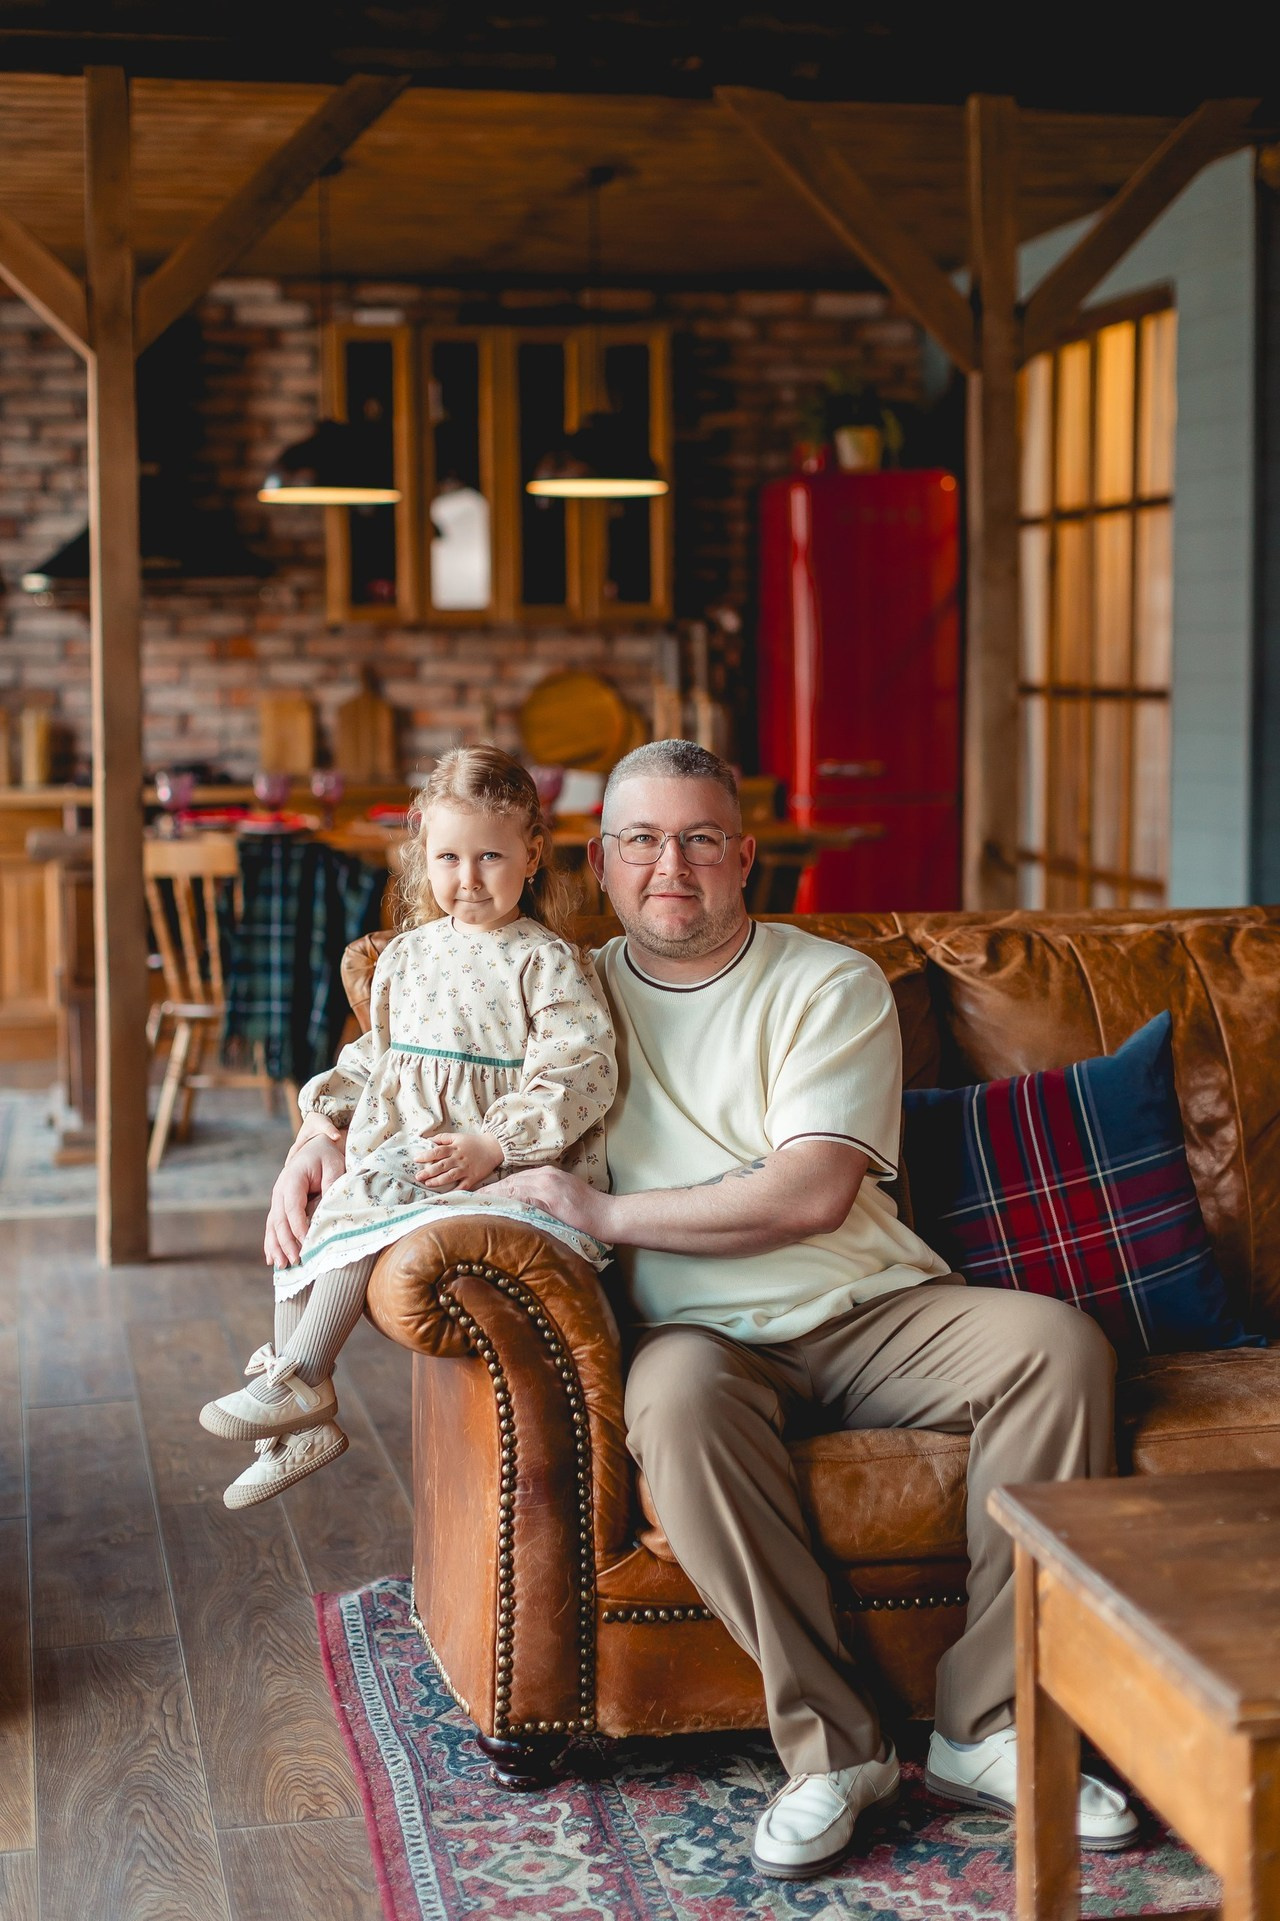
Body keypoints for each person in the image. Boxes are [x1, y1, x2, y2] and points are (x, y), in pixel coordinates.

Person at [269, 739, 1135, 1880]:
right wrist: (317, 1137)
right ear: (595, 859)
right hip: (694, 1336)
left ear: (743, 856)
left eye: (697, 838)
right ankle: (836, 1750)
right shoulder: (556, 994)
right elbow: (406, 1072)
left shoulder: (825, 982)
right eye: (640, 838)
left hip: (868, 1305)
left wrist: (596, 1208)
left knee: (1056, 1346)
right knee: (669, 1408)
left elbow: (812, 1189)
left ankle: (985, 1724)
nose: (666, 863)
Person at [202, 746, 615, 1511]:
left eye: (490, 855)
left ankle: (300, 1380)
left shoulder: (546, 962)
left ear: (530, 855)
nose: (468, 876)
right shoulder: (409, 957)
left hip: (489, 1157)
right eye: (448, 856)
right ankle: (292, 1421)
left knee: (364, 1198)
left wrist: (495, 1141)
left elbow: (579, 1070)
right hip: (411, 1144)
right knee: (316, 1213)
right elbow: (376, 1058)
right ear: (422, 856)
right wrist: (320, 1122)